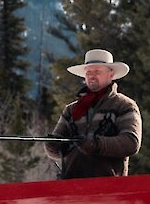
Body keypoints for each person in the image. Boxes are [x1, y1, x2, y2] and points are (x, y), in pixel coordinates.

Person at [44, 49, 141, 179]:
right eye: (88, 72)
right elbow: (56, 150)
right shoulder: (71, 110)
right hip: (71, 187)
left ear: (110, 75)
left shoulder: (124, 105)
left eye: (97, 71)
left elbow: (131, 143)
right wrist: (51, 145)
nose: (91, 76)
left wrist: (96, 145)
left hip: (110, 188)